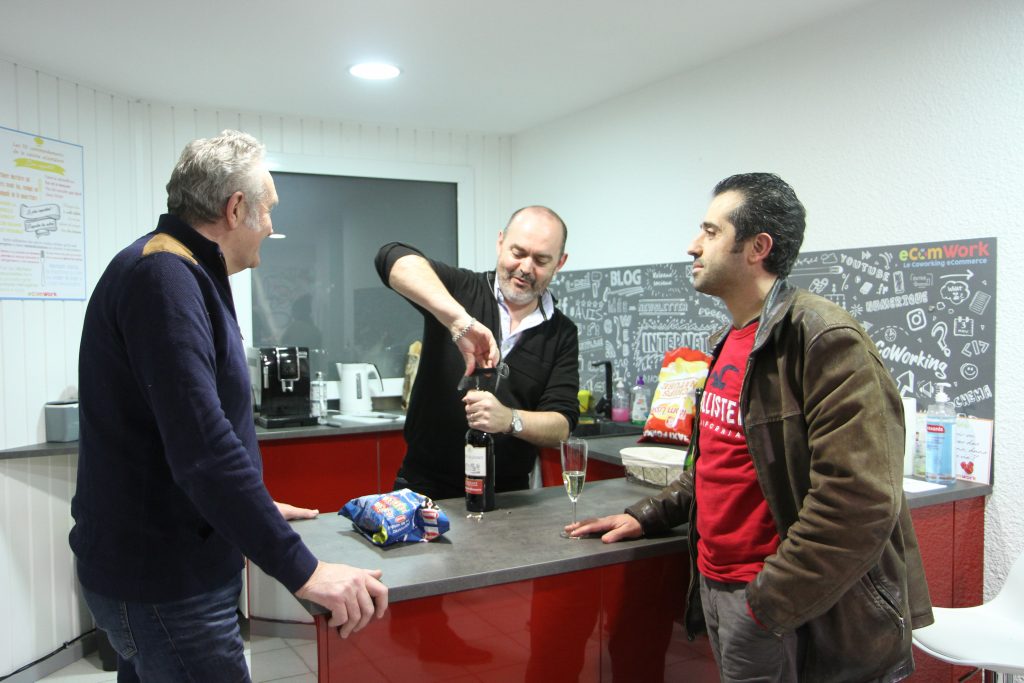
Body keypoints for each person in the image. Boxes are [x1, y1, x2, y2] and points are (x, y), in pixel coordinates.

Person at [569, 173, 934, 682]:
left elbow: (860, 501)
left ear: (757, 247)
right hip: (722, 590)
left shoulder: (824, 338)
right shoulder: (729, 339)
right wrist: (649, 514)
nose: (692, 245)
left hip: (787, 606)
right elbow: (717, 466)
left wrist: (767, 602)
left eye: (711, 232)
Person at [70, 130, 388, 681]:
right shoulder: (164, 278)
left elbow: (181, 431)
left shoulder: (179, 269)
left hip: (153, 570)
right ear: (235, 208)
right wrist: (304, 572)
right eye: (268, 210)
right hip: (165, 584)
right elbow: (202, 449)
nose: (271, 226)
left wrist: (255, 509)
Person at [375, 205, 580, 500]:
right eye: (518, 252)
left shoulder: (561, 333)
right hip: (425, 487)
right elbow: (390, 258)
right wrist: (458, 319)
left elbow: (561, 425)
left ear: (559, 263)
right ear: (500, 243)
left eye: (540, 260)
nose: (525, 267)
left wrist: (509, 419)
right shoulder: (460, 290)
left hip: (510, 497)